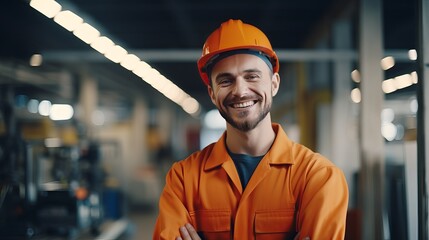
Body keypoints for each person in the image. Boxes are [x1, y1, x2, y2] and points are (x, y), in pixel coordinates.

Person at [153, 19, 349, 240]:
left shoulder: (318, 177)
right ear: (212, 93)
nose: (240, 91)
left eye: (252, 76)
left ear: (274, 84)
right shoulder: (183, 179)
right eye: (226, 81)